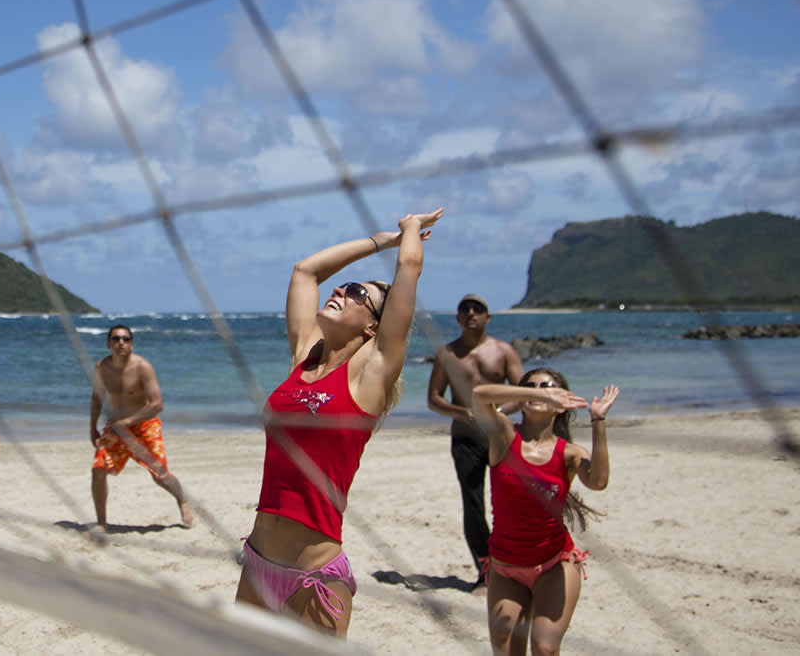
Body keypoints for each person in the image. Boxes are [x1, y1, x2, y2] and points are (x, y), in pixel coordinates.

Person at [235, 209, 443, 636]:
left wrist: (407, 232)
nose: (340, 291)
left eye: (354, 293)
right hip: (257, 563)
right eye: (344, 286)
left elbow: (409, 266)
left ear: (372, 327)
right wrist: (379, 241)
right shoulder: (303, 358)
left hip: (313, 577)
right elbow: (306, 272)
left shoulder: (370, 379)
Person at [471, 369, 618, 656]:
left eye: (547, 386)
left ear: (562, 403)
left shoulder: (569, 453)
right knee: (505, 647)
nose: (539, 390)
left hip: (554, 562)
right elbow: (479, 395)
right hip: (505, 565)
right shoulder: (503, 437)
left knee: (545, 647)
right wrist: (538, 393)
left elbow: (599, 482)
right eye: (531, 386)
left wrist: (598, 421)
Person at [426, 292, 525, 593]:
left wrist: (497, 414)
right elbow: (434, 399)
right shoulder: (448, 354)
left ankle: (513, 567)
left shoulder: (503, 351)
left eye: (477, 309)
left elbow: (523, 394)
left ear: (487, 317)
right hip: (465, 439)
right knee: (473, 505)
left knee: (508, 501)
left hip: (499, 436)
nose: (471, 313)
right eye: (465, 309)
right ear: (458, 318)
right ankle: (486, 572)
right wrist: (463, 413)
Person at [88, 324, 195, 531]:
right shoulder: (101, 367)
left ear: (132, 343)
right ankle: (101, 523)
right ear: (108, 343)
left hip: (144, 427)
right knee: (98, 470)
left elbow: (157, 404)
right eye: (116, 339)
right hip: (115, 429)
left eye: (126, 339)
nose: (121, 343)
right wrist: (92, 427)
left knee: (160, 476)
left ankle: (182, 500)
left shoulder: (142, 367)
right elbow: (96, 399)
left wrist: (128, 422)